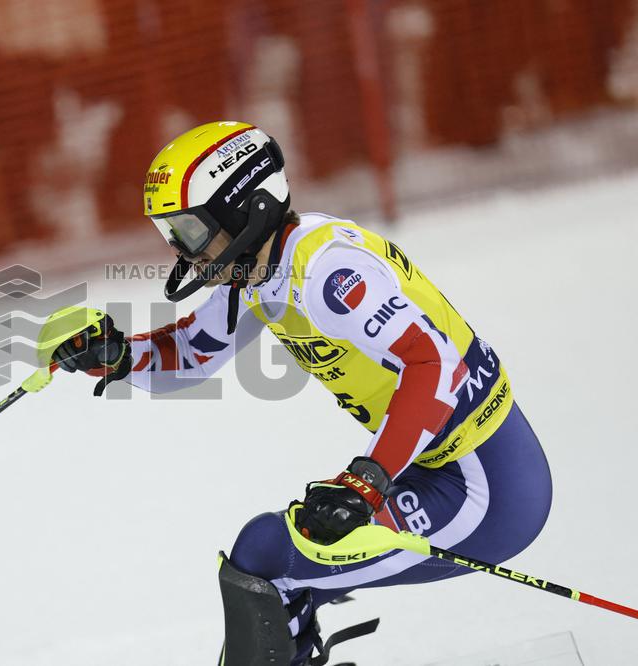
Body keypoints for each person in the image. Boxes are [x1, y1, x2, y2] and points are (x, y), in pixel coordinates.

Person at [52, 121, 552, 666]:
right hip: (433, 467)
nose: (183, 251)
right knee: (274, 563)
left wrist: (367, 483)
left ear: (246, 208)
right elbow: (195, 351)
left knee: (265, 556)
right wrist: (118, 355)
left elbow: (434, 365)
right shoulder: (259, 268)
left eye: (192, 231)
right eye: (170, 234)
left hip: (486, 489)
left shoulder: (325, 271)